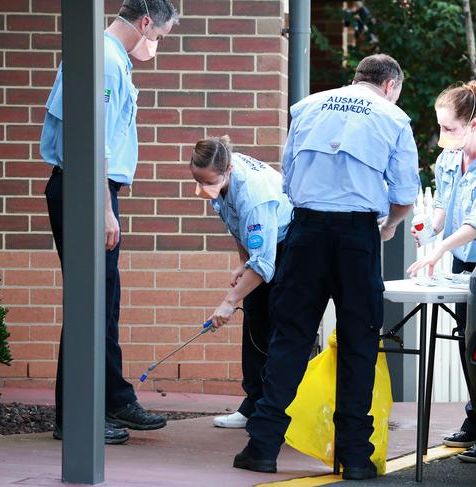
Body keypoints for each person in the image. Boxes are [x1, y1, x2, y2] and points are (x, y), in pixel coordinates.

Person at [232, 54, 420, 480]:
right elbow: (405, 193)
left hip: (306, 232)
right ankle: (354, 455)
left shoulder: (309, 106)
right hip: (356, 237)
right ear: (391, 85)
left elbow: (289, 175)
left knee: (290, 338)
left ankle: (261, 446)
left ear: (356, 77)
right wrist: (388, 227)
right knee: (358, 343)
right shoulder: (393, 118)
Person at [39, 0, 179, 445]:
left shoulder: (109, 59)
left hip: (92, 188)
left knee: (104, 300)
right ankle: (78, 415)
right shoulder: (102, 60)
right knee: (89, 303)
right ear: (144, 23)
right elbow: (90, 136)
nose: (156, 45)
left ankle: (112, 398)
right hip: (86, 189)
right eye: (159, 36)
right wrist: (102, 208)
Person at [407, 80, 476, 463]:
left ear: (475, 124)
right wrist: (425, 227)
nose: (441, 137)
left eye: (449, 129)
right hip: (462, 263)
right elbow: (443, 214)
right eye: (440, 127)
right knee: (466, 345)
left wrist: (438, 251)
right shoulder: (449, 160)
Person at [189, 136, 293, 429]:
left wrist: (228, 302)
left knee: (275, 324)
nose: (201, 189)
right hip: (262, 250)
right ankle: (252, 404)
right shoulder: (219, 173)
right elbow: (237, 227)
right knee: (255, 321)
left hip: (289, 244)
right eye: (197, 180)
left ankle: (273, 409)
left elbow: (264, 263)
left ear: (229, 170)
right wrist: (242, 261)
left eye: (207, 182)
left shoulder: (254, 195)